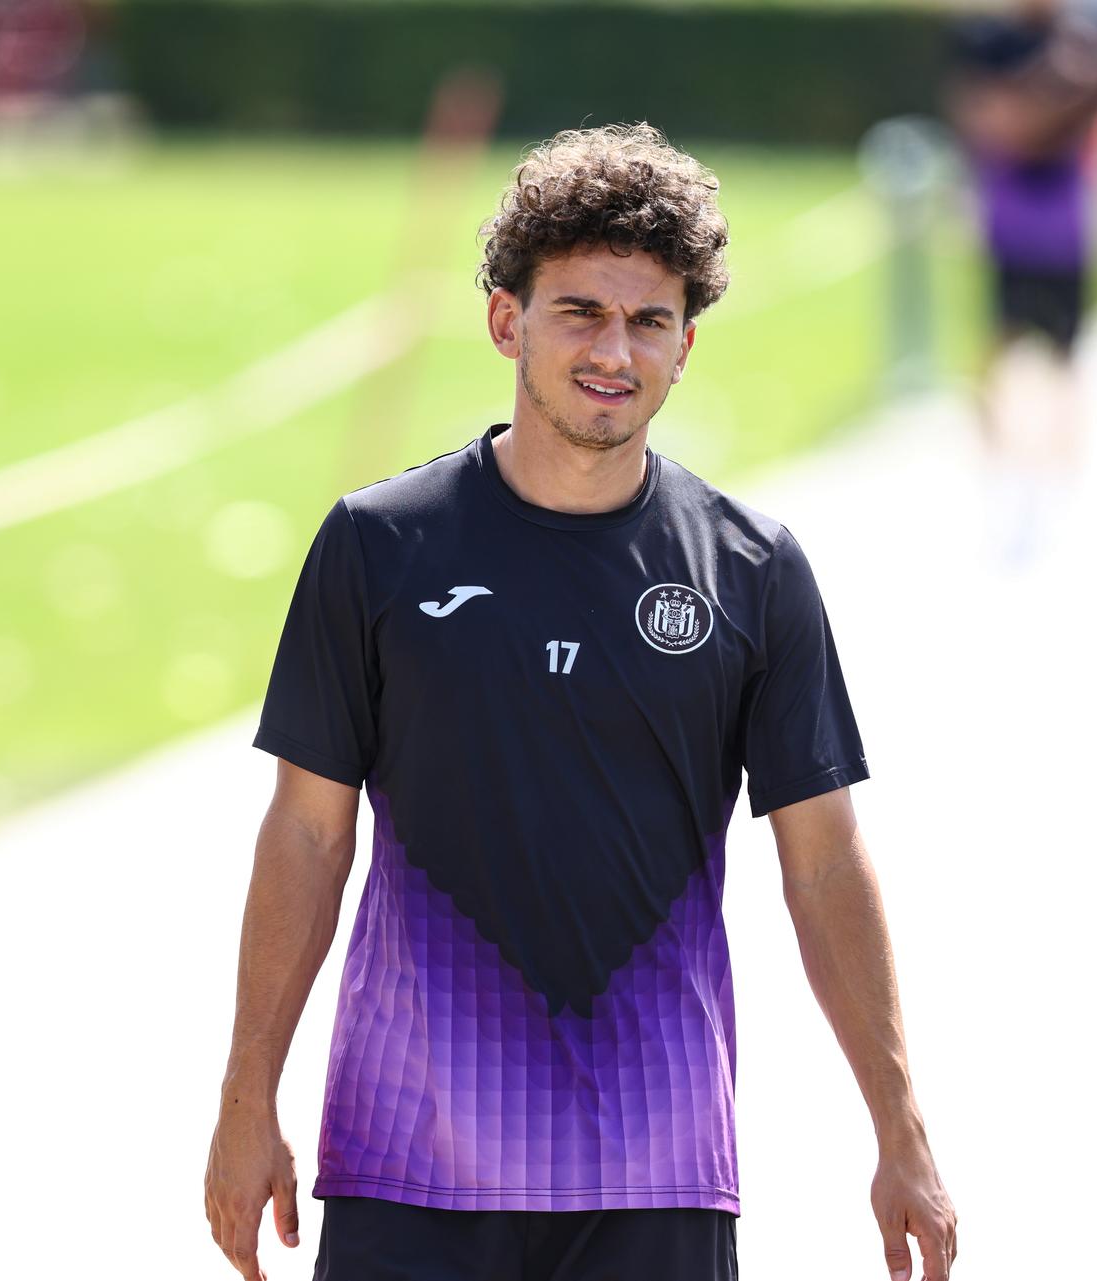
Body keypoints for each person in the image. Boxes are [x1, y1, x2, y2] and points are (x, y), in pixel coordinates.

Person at [203, 123, 957, 1281]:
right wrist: (247, 1097)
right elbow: (307, 832)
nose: (616, 350)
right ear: (509, 321)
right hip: (408, 1161)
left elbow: (823, 861)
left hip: (656, 1168)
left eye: (649, 321)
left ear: (685, 345)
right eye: (581, 313)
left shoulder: (751, 570)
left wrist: (899, 1128)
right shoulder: (380, 545)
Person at [945, 0, 1097, 561]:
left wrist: (1039, 102)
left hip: (1067, 222)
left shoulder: (1090, 41)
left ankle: (1055, 484)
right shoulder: (989, 39)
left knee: (1067, 358)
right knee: (998, 354)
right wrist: (1052, 91)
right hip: (1011, 220)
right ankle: (999, 478)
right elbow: (990, 119)